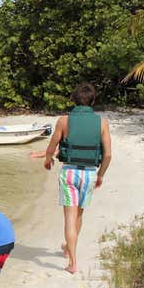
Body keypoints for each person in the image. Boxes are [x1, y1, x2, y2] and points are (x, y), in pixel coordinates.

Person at [43, 83, 111, 274]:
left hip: (70, 172)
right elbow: (107, 156)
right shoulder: (103, 123)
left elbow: (52, 146)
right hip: (89, 173)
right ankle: (68, 248)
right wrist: (100, 175)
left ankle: (72, 262)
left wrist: (48, 160)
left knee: (69, 218)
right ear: (93, 101)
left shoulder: (64, 120)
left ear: (74, 100)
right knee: (79, 215)